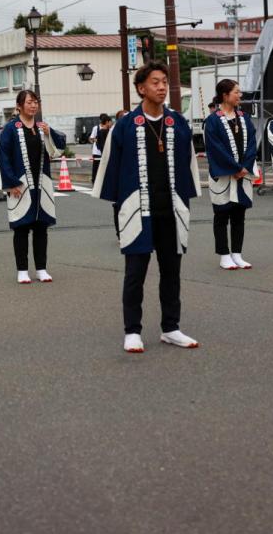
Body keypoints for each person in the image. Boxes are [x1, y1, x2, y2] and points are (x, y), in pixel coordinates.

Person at [94, 61, 201, 352]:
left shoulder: (176, 122)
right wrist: (118, 204)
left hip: (170, 208)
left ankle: (171, 327)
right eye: (155, 82)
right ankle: (132, 330)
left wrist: (187, 197)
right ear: (141, 88)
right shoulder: (126, 125)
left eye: (164, 81)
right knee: (135, 272)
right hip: (137, 210)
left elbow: (189, 162)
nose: (162, 87)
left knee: (171, 272)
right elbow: (109, 167)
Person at [0, 90, 67, 284]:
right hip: (20, 184)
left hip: (41, 183)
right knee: (21, 227)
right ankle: (22, 270)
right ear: (19, 105)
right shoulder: (11, 128)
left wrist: (49, 132)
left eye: (36, 102)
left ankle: (41, 269)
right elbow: (4, 157)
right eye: (29, 102)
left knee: (41, 227)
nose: (33, 105)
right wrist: (11, 183)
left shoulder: (41, 126)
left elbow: (59, 147)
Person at [203, 79, 257, 270]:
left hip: (242, 174)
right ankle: (224, 254)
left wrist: (245, 167)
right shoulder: (212, 121)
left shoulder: (244, 117)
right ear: (225, 95)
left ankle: (237, 253)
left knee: (239, 214)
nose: (239, 95)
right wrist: (234, 167)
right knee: (221, 214)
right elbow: (214, 148)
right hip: (224, 174)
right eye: (236, 92)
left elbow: (252, 143)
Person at [89, 113, 112, 182]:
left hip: (102, 151)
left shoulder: (109, 130)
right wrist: (95, 140)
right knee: (96, 167)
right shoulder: (96, 128)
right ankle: (94, 180)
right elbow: (91, 138)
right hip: (97, 151)